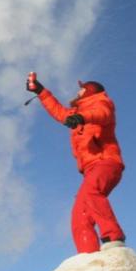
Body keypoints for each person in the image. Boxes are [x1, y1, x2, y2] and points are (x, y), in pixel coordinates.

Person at [26, 72, 127, 253]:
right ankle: (87, 254)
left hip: (106, 163)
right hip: (89, 169)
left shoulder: (101, 103)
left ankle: (113, 237)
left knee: (91, 192)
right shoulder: (75, 113)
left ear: (90, 91)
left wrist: (83, 118)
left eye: (81, 89)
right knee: (79, 214)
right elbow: (58, 111)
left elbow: (102, 114)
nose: (78, 92)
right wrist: (40, 91)